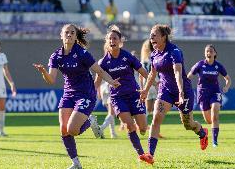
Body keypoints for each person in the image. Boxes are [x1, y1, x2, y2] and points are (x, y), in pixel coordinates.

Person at [33, 24, 120, 169]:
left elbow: (99, 70)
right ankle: (76, 163)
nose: (69, 35)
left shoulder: (81, 53)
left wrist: (111, 81)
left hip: (86, 93)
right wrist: (43, 72)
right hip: (68, 94)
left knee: (73, 129)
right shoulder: (56, 56)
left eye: (72, 33)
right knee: (64, 129)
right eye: (66, 32)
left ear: (75, 36)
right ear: (61, 35)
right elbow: (51, 80)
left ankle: (90, 120)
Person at [140, 24, 208, 164]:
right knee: (156, 119)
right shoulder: (154, 54)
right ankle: (150, 154)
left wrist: (181, 93)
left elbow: (178, 73)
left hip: (183, 91)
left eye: (154, 35)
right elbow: (152, 74)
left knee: (188, 124)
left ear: (163, 37)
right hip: (165, 91)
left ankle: (202, 132)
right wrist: (145, 91)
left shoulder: (174, 51)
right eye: (150, 35)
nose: (151, 38)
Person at [94, 25, 151, 164]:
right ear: (107, 42)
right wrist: (89, 95)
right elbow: (97, 82)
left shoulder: (128, 57)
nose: (112, 41)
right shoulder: (103, 62)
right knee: (130, 126)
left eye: (115, 38)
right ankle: (141, 154)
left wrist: (154, 84)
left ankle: (137, 129)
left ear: (120, 41)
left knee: (143, 129)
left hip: (134, 95)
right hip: (118, 98)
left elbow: (143, 72)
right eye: (110, 39)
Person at [187, 44, 231, 147]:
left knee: (215, 114)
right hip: (202, 94)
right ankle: (206, 131)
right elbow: (189, 76)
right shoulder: (200, 65)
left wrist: (226, 87)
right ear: (205, 53)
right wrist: (184, 87)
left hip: (215, 92)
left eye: (211, 51)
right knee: (209, 120)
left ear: (215, 53)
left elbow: (228, 79)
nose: (209, 53)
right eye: (207, 51)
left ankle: (214, 141)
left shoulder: (218, 66)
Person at [139, 40, 164, 139]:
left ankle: (143, 126)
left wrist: (142, 87)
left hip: (147, 86)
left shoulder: (143, 61)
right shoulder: (156, 58)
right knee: (156, 110)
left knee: (149, 109)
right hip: (156, 84)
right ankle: (154, 130)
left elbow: (141, 76)